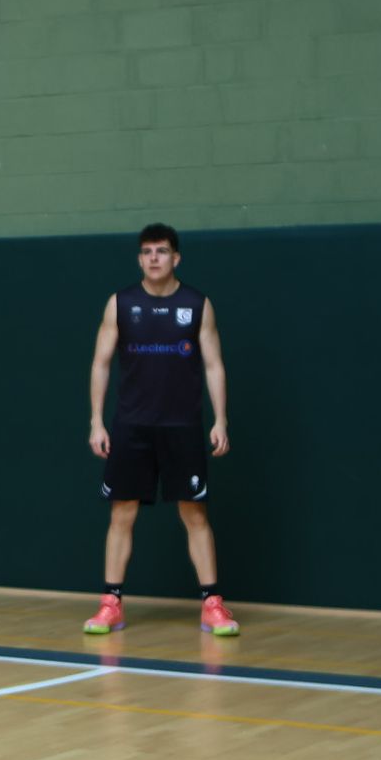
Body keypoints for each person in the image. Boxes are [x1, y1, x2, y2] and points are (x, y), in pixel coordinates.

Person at [85, 223, 238, 637]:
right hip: (131, 426)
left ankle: (212, 606)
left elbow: (213, 365)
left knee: (194, 513)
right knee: (122, 513)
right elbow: (100, 363)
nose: (154, 258)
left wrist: (220, 419)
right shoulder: (120, 303)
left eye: (162, 251)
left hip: (182, 426)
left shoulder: (197, 304)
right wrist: (97, 421)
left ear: (176, 258)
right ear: (140, 259)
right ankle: (110, 604)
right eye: (147, 251)